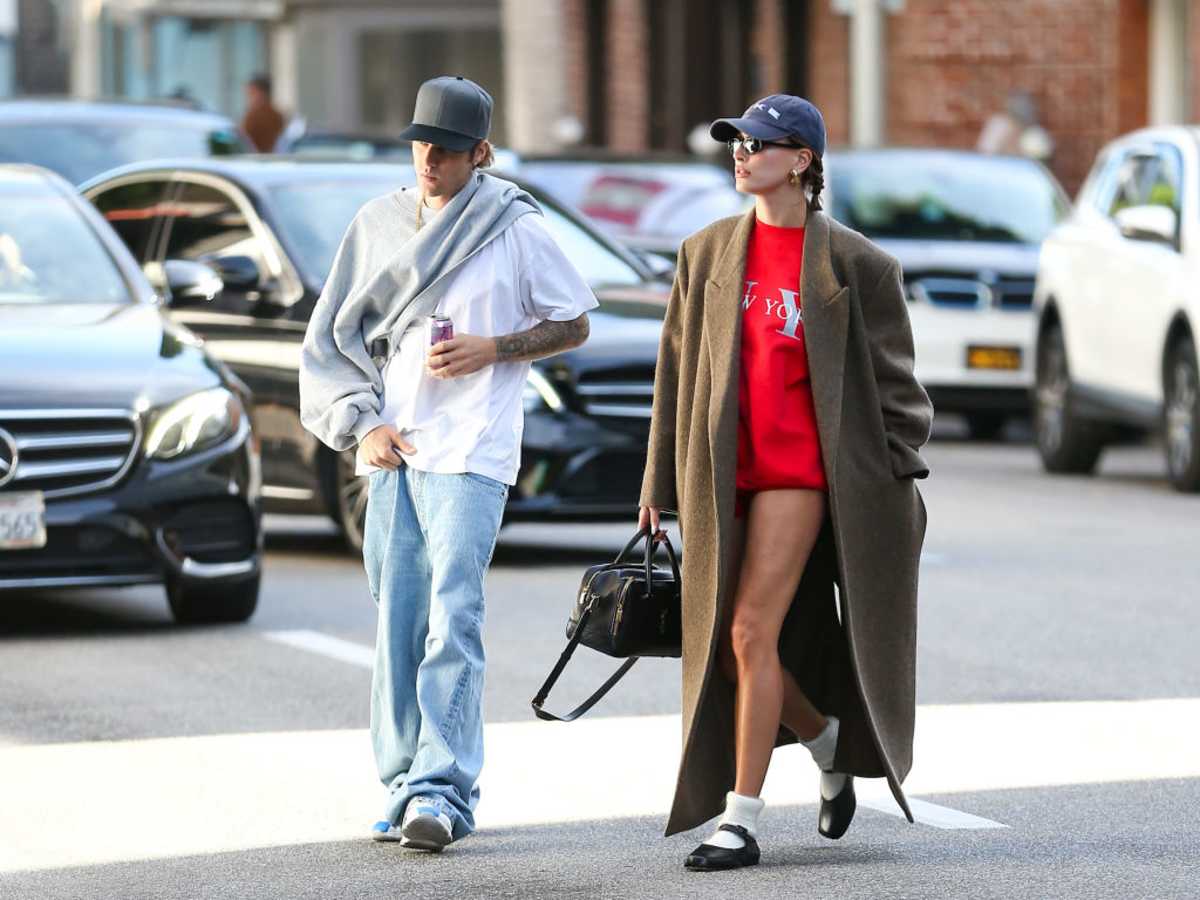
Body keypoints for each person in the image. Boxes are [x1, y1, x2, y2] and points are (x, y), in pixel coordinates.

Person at [299, 75, 596, 851]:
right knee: (398, 621)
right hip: (393, 452)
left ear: (481, 154)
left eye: (449, 148)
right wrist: (360, 427)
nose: (430, 158)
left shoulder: (514, 228)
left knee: (453, 619)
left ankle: (442, 792)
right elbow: (329, 342)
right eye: (422, 143)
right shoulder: (377, 225)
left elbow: (573, 324)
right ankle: (402, 785)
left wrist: (495, 349)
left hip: (473, 451)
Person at [638, 94, 933, 870]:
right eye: (735, 141)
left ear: (801, 160)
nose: (741, 153)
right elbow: (675, 375)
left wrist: (884, 480)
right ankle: (825, 737)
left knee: (744, 632)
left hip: (799, 475)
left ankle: (739, 818)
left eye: (759, 143)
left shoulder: (857, 265)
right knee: (730, 646)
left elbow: (903, 396)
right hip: (721, 473)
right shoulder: (705, 254)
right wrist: (657, 482)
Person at [240, 73, 286, 152]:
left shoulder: (255, 116)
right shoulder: (277, 114)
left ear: (261, 93)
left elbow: (244, 141)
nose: (249, 98)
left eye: (251, 93)